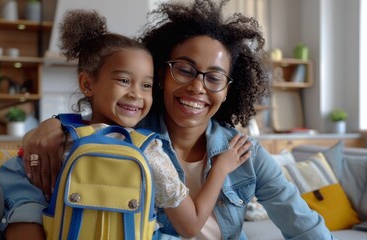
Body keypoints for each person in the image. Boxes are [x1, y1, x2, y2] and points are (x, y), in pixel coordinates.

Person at [21, 0, 336, 239]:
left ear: (228, 90)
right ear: (161, 76)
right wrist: (56, 123)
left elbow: (304, 225)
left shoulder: (244, 154)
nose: (197, 86)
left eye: (214, 78)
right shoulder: (127, 140)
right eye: (184, 69)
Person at [0, 9, 252, 240]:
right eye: (124, 80)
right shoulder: (150, 151)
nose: (136, 94)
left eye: (147, 85)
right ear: (87, 84)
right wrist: (220, 169)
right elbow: (191, 226)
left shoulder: (67, 139)